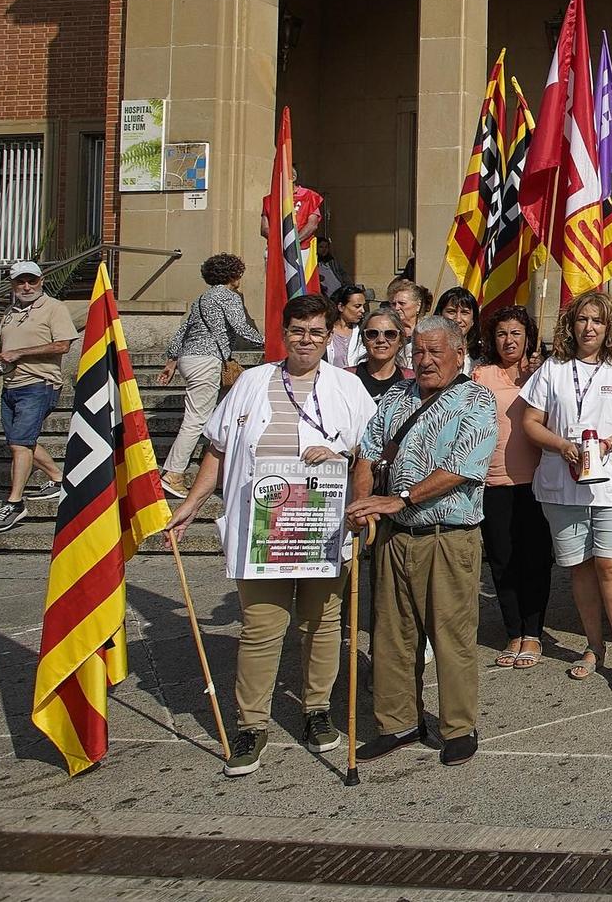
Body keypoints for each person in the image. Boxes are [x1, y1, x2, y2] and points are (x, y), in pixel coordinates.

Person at [166, 293, 377, 776]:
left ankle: (316, 711)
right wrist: (192, 503)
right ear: (283, 334)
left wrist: (342, 460)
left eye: (317, 332)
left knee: (323, 623)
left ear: (329, 336)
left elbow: (369, 452)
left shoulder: (348, 387)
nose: (307, 341)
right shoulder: (250, 383)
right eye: (299, 331)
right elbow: (218, 450)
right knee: (261, 627)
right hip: (263, 527)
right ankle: (251, 724)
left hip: (323, 525)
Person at [346, 315, 500, 765]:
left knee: (451, 634)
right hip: (395, 538)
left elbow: (461, 467)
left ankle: (458, 727)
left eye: (435, 352)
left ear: (458, 354)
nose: (426, 360)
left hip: (447, 536)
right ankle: (399, 723)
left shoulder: (477, 400)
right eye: (419, 352)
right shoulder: (396, 396)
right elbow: (368, 454)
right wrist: (361, 504)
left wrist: (401, 498)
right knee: (392, 635)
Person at [520, 291, 612, 693]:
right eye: (582, 320)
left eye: (597, 320)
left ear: (609, 325)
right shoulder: (553, 369)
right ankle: (593, 647)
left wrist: (609, 444)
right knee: (579, 567)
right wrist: (561, 444)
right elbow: (531, 420)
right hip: (563, 485)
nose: (589, 327)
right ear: (571, 324)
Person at [475, 306, 550, 671]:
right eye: (502, 333)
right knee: (502, 560)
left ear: (528, 338)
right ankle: (513, 631)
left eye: (516, 333)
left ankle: (534, 632)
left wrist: (540, 377)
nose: (509, 340)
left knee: (534, 558)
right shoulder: (481, 375)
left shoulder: (542, 374)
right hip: (494, 481)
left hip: (536, 481)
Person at [154, 254, 264, 501]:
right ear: (233, 274)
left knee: (217, 412)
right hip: (207, 359)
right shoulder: (228, 296)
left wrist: (171, 360)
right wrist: (272, 342)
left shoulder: (202, 298)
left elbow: (183, 329)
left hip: (189, 359)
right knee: (195, 420)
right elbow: (241, 327)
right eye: (239, 273)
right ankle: (173, 474)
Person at [0, 261, 74, 534]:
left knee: (20, 444)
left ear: (41, 281)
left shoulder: (54, 308)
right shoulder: (11, 311)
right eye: (20, 282)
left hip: (39, 384)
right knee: (18, 442)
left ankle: (15, 502)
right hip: (11, 385)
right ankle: (58, 477)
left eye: (31, 281)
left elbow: (63, 345)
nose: (26, 287)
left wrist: (21, 353)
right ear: (12, 284)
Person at [259, 164, 324, 266]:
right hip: (276, 249)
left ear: (293, 178)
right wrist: (280, 240)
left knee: (298, 281)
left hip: (300, 249)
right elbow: (264, 228)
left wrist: (293, 241)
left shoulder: (309, 196)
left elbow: (312, 224)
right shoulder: (269, 200)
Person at [353, 307, 412, 398]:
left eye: (390, 334)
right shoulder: (346, 377)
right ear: (363, 340)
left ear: (400, 340)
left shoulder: (412, 381)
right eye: (372, 334)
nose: (381, 340)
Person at [433, 287, 482, 370]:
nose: (458, 319)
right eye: (451, 312)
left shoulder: (483, 356)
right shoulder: (419, 348)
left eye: (464, 313)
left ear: (473, 320)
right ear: (439, 315)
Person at [388, 281, 429, 371]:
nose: (396, 308)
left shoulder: (428, 330)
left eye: (402, 303)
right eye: (393, 304)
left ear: (418, 305)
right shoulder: (387, 329)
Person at [325, 283, 368, 370]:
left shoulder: (364, 331)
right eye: (357, 306)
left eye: (363, 306)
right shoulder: (325, 331)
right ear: (341, 307)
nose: (362, 310)